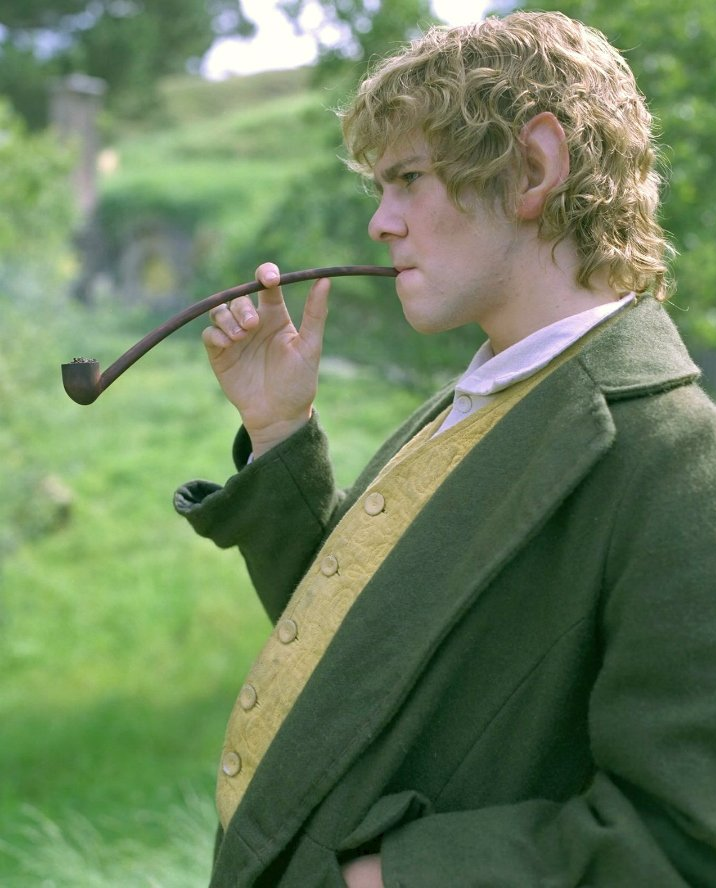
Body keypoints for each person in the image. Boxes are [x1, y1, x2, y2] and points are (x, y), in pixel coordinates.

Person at [174, 11, 716, 887]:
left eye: (408, 179)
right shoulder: (486, 397)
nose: (380, 224)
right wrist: (279, 430)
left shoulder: (679, 462)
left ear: (534, 167)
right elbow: (376, 658)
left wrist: (392, 878)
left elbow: (683, 840)